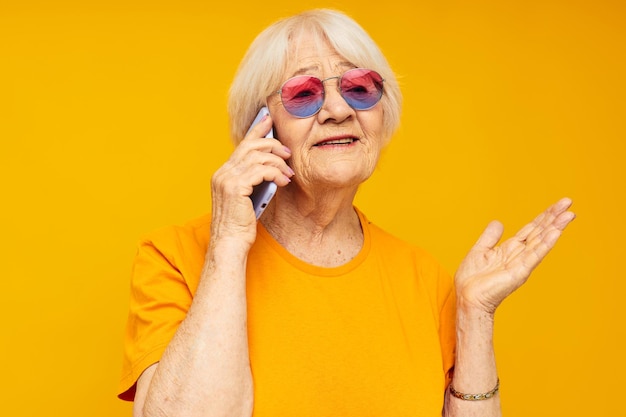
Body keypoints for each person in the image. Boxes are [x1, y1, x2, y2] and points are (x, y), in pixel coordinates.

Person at [118, 8, 575, 417]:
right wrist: (228, 247)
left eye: (359, 87)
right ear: (260, 127)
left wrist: (475, 316)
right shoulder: (175, 257)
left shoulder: (424, 279)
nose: (338, 109)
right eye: (303, 93)